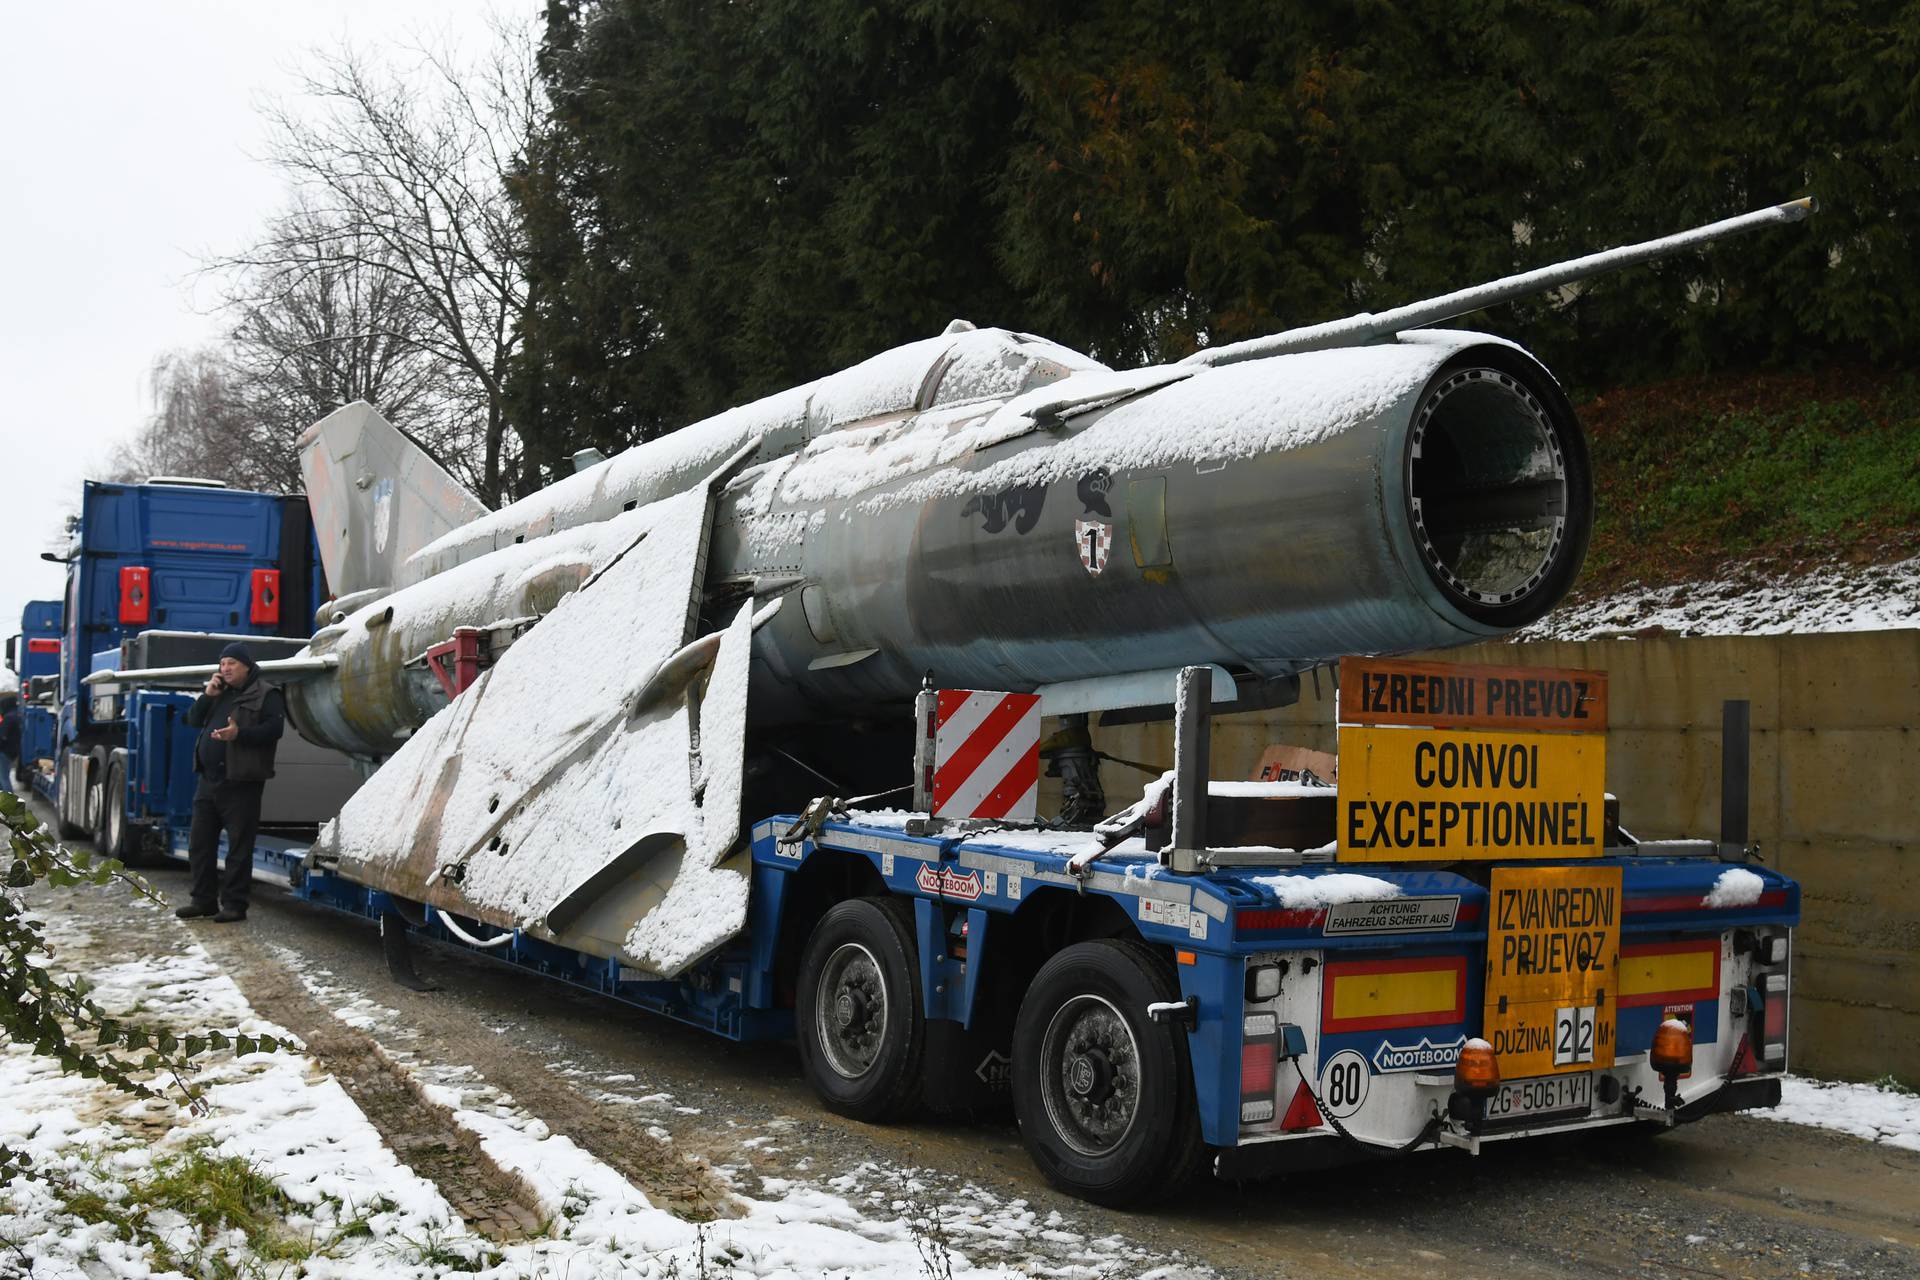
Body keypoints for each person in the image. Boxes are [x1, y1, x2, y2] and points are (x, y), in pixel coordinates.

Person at [176, 642, 285, 923]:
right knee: (200, 844)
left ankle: (235, 905)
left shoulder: (266, 693)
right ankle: (203, 901)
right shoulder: (217, 693)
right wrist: (206, 696)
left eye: (231, 664)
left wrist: (240, 735)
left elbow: (274, 730)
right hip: (208, 780)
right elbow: (192, 720)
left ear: (246, 665)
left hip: (242, 782)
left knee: (238, 848)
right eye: (222, 664)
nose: (225, 669)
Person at [0, 693, 19, 795]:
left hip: (4, 752)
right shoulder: (16, 716)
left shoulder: (8, 718)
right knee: (3, 777)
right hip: (11, 751)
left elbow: (1, 735)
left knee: (3, 778)